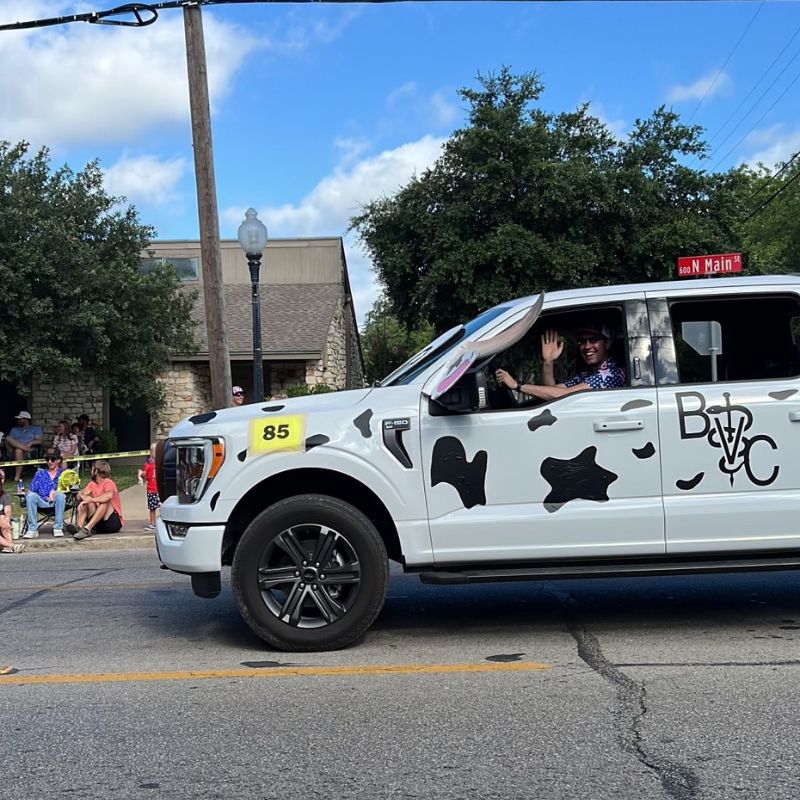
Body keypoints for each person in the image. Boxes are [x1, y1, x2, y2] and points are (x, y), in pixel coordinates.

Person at [495, 324, 626, 402]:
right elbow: (553, 391)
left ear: (608, 343)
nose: (587, 346)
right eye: (582, 341)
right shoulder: (588, 373)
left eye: (594, 340)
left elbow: (562, 396)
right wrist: (548, 361)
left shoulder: (611, 374)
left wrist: (517, 386)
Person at [73, 459, 124, 540]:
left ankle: (86, 529)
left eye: (92, 469)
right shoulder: (92, 484)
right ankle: (79, 528)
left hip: (112, 523)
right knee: (85, 502)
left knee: (105, 501)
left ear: (96, 471)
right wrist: (83, 497)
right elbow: (79, 495)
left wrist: (91, 500)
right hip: (97, 524)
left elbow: (108, 496)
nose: (91, 471)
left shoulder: (108, 482)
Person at [22, 449, 66, 538]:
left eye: (53, 459)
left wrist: (56, 493)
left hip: (57, 502)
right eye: (47, 459)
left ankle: (58, 528)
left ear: (58, 460)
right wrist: (25, 495)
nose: (49, 462)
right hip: (41, 501)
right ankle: (32, 529)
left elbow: (72, 488)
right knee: (31, 496)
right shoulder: (40, 473)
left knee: (61, 495)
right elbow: (31, 490)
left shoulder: (64, 474)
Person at [5, 411, 44, 483]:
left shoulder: (36, 429)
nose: (18, 420)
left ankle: (16, 478)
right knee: (8, 438)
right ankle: (25, 448)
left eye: (20, 419)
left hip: (28, 453)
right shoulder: (14, 429)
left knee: (18, 450)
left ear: (26, 419)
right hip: (13, 451)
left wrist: (31, 442)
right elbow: (9, 442)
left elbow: (39, 441)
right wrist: (25, 447)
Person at [0, 469, 24, 554]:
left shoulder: (5, 496)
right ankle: (12, 546)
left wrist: (6, 519)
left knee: (4, 518)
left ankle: (8, 547)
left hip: (3, 526)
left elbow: (8, 510)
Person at [138, 443, 160, 531]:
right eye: (156, 452)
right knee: (152, 508)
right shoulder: (148, 465)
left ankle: (162, 522)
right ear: (151, 453)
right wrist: (140, 474)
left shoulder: (161, 464)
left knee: (162, 507)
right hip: (151, 490)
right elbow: (145, 475)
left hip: (160, 489)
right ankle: (152, 523)